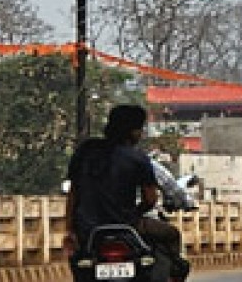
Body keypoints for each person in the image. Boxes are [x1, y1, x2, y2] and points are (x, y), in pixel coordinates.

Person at [65, 105, 190, 282]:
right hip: (127, 224)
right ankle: (175, 273)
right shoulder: (138, 158)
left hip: (88, 228)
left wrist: (70, 229)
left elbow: (73, 194)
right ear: (132, 132)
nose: (141, 134)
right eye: (140, 129)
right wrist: (134, 213)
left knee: (79, 259)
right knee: (172, 234)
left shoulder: (85, 151)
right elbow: (150, 199)